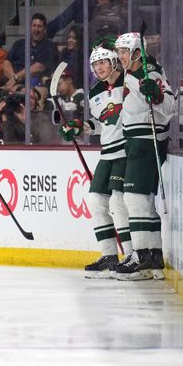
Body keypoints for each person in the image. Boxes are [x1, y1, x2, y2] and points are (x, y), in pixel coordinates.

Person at [60, 45, 133, 278]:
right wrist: (80, 128)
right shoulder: (95, 92)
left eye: (103, 62)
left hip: (124, 151)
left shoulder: (128, 83)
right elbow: (100, 123)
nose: (99, 67)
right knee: (95, 202)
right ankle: (109, 255)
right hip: (107, 153)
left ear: (113, 62)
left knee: (118, 204)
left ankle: (131, 255)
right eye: (95, 64)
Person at [112, 32, 175, 281]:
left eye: (124, 51)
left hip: (147, 142)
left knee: (135, 200)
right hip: (136, 142)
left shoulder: (151, 74)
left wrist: (156, 95)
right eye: (119, 51)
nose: (120, 56)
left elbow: (168, 107)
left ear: (138, 52)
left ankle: (142, 256)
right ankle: (152, 257)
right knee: (142, 202)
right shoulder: (131, 74)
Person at [6, 13, 59, 89]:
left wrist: (16, 79)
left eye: (39, 26)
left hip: (36, 87)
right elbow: (6, 63)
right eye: (34, 26)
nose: (36, 29)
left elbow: (38, 68)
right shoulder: (18, 44)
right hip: (14, 85)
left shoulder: (50, 46)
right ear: (30, 27)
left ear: (45, 29)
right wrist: (13, 80)